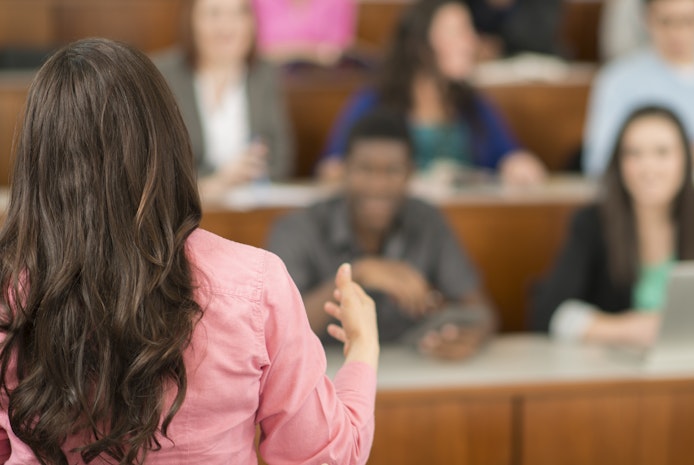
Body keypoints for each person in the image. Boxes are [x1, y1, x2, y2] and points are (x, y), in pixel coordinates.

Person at [0, 39, 377, 464]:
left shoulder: (10, 295)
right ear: (165, 141)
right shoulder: (256, 285)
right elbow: (322, 456)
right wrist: (362, 351)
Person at [269, 110, 495, 360]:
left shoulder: (428, 221)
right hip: (325, 376)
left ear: (410, 173)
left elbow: (481, 312)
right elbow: (277, 331)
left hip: (412, 372)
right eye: (365, 169)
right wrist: (357, 275)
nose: (378, 185)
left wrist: (465, 337)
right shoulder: (298, 229)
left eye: (392, 171)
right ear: (344, 170)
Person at [532, 106, 694, 346]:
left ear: (685, 160)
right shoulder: (592, 221)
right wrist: (627, 328)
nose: (648, 167)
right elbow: (547, 313)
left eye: (662, 152)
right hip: (612, 366)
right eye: (634, 154)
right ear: (619, 163)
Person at [317, 0, 547, 186]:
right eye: (457, 32)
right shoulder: (374, 101)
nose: (471, 42)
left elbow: (509, 154)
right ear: (420, 43)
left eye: (469, 31)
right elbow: (331, 170)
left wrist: (519, 165)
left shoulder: (474, 104)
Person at [582, 0, 694, 177]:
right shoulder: (617, 81)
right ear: (647, 18)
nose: (677, 33)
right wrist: (686, 157)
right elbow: (598, 162)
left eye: (688, 20)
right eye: (666, 21)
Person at [155, 0, 295, 203]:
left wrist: (253, 172)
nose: (227, 26)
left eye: (239, 13)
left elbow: (282, 157)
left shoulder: (264, 73)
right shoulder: (163, 74)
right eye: (214, 14)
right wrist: (216, 180)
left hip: (251, 205)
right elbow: (158, 165)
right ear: (190, 21)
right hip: (186, 207)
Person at [252, 0, 357, 66]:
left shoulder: (338, 2)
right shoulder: (261, 2)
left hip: (322, 83)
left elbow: (334, 54)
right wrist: (311, 51)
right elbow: (257, 51)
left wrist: (281, 51)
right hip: (266, 79)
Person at [465, 0, 564, 59]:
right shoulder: (470, 4)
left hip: (540, 62)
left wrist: (500, 46)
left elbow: (541, 37)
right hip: (478, 69)